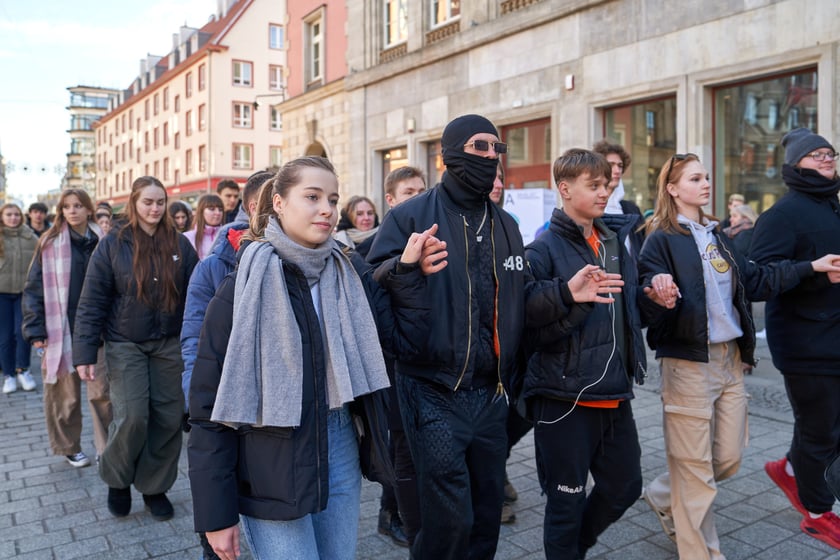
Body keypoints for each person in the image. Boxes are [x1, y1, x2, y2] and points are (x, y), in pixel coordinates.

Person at [637, 152, 840, 559]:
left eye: (707, 176)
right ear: (673, 189)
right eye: (695, 178)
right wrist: (656, 292)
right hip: (688, 362)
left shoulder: (717, 237)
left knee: (726, 459)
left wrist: (811, 267)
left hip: (730, 361)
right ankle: (702, 552)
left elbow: (758, 279)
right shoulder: (660, 238)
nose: (705, 183)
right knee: (695, 474)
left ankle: (662, 493)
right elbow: (642, 300)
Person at [188, 156, 391, 560]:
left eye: (333, 199)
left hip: (338, 442)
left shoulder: (348, 271)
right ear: (278, 203)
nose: (327, 209)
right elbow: (208, 408)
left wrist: (407, 269)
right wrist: (215, 514)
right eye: (312, 196)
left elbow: (394, 329)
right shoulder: (241, 285)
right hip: (269, 455)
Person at [367, 114, 527, 559]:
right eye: (480, 146)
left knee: (486, 514)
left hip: (490, 394)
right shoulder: (409, 217)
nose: (492, 156)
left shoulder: (507, 225)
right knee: (448, 518)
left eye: (497, 148)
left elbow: (518, 298)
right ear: (449, 154)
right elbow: (372, 287)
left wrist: (568, 297)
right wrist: (405, 268)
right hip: (431, 390)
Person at [523, 148, 661, 559]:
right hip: (563, 397)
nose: (606, 191)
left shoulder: (615, 242)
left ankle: (574, 549)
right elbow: (525, 313)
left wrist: (654, 299)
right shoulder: (542, 248)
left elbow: (628, 307)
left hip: (614, 392)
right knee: (564, 503)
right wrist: (568, 293)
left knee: (625, 487)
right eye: (594, 185)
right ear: (564, 189)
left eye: (607, 183)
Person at [73, 176, 198, 521]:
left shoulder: (180, 245)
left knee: (168, 417)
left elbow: (197, 295)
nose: (155, 209)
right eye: (148, 202)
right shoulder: (113, 243)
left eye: (160, 202)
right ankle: (117, 480)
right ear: (134, 203)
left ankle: (155, 487)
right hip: (124, 342)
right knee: (132, 416)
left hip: (168, 344)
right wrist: (84, 353)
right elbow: (92, 299)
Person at [750, 128, 840, 549]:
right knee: (821, 432)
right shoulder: (780, 215)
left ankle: (788, 469)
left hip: (834, 338)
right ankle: (818, 513)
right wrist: (811, 269)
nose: (826, 158)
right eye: (816, 154)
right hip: (805, 345)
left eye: (829, 153)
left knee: (825, 428)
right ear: (795, 164)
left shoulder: (833, 205)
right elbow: (758, 280)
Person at [21, 188, 112, 468]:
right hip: (60, 329)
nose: (72, 211)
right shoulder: (49, 242)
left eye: (78, 206)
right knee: (65, 396)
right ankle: (69, 446)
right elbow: (34, 286)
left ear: (88, 209)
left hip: (99, 329)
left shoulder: (105, 240)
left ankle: (106, 447)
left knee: (102, 393)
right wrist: (35, 330)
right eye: (66, 207)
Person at [373, 165, 427, 547]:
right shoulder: (378, 246)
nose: (418, 197)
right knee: (400, 444)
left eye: (423, 190)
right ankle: (390, 513)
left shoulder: (436, 240)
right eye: (410, 192)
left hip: (426, 362)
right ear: (391, 200)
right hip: (392, 362)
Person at [0, 203, 38, 394]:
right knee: (5, 336)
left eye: (16, 214)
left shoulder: (30, 238)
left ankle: (24, 370)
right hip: (2, 295)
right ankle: (9, 375)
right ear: (2, 216)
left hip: (24, 294)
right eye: (9, 214)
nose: (13, 218)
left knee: (22, 333)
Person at [593, 139, 644, 257]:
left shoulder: (631, 209)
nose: (617, 171)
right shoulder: (590, 207)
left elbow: (641, 249)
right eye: (611, 165)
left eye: (620, 166)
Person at [184, 194, 224, 260]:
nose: (217, 213)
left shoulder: (228, 236)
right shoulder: (187, 237)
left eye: (220, 209)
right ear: (201, 211)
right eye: (212, 209)